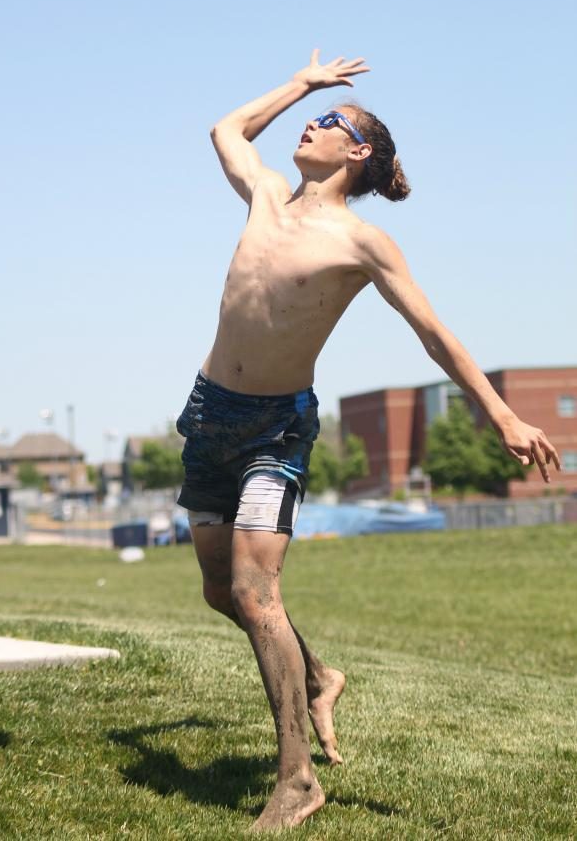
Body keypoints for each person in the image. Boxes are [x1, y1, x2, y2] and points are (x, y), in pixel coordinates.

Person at [175, 50, 561, 832]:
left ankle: (296, 782)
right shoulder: (264, 196)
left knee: (256, 593)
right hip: (209, 412)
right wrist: (303, 84)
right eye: (315, 117)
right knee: (224, 593)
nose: (312, 125)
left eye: (330, 122)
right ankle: (318, 675)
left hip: (275, 427)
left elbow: (433, 333)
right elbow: (226, 127)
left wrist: (501, 415)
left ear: (356, 155)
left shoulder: (364, 243)